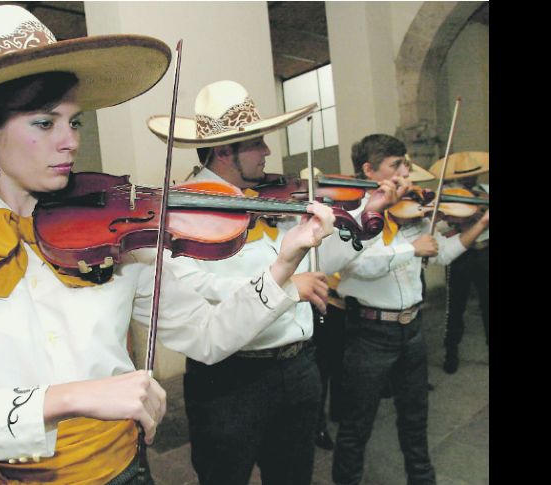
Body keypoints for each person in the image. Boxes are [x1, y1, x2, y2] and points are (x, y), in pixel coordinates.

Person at [0, 6, 337, 485]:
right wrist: (71, 398)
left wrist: (283, 266)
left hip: (127, 471)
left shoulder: (118, 237)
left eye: (73, 122)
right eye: (44, 122)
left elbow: (207, 337)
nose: (70, 141)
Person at [147, 81, 406, 485]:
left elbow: (318, 261)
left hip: (299, 367)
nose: (268, 152)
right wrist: (286, 286)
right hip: (230, 381)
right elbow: (209, 296)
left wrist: (365, 219)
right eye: (257, 142)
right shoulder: (181, 215)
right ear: (223, 151)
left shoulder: (271, 197)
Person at [331, 134, 490, 485]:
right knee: (356, 427)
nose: (406, 172)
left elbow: (442, 253)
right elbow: (359, 265)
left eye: (405, 163)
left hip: (413, 329)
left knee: (416, 421)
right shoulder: (349, 215)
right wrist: (410, 250)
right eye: (396, 165)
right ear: (369, 170)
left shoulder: (413, 210)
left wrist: (479, 224)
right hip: (370, 334)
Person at [428, 152, 489, 374]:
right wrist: (456, 220)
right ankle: (451, 350)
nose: (469, 180)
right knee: (455, 305)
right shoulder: (447, 195)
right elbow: (440, 226)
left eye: (473, 176)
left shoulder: (485, 192)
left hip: (485, 254)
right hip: (460, 255)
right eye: (464, 177)